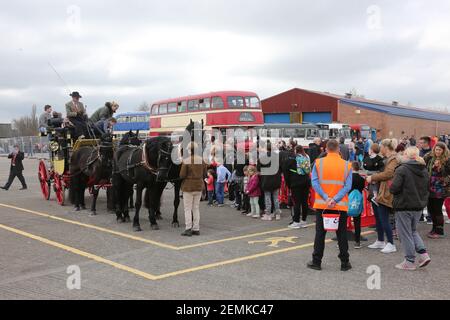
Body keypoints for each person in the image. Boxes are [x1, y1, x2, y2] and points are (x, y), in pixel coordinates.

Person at [307, 139, 353, 271]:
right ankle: (345, 263)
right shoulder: (347, 165)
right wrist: (335, 199)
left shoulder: (318, 163)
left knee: (320, 234)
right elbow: (347, 186)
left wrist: (327, 198)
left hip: (323, 205)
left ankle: (316, 262)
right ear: (338, 149)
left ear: (326, 149)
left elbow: (315, 183)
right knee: (342, 234)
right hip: (340, 205)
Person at [389, 146, 431, 270]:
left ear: (406, 155)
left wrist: (391, 186)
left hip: (404, 205)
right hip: (418, 205)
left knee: (405, 233)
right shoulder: (423, 169)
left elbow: (394, 188)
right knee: (412, 231)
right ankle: (423, 254)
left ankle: (409, 261)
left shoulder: (402, 169)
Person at [366, 139, 399, 254]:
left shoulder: (393, 159)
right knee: (379, 217)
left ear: (386, 147)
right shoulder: (387, 159)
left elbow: (389, 174)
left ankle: (390, 243)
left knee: (384, 218)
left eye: (381, 146)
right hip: (380, 190)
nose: (380, 149)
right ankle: (380, 240)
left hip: (386, 192)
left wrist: (373, 177)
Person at [179, 143, 207, 237]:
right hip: (199, 186)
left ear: (189, 150)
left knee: (187, 208)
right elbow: (205, 174)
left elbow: (182, 175)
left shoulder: (186, 161)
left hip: (188, 186)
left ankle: (188, 228)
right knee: (196, 208)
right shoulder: (201, 160)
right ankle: (196, 228)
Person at [424, 142, 450, 239]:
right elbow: (423, 165)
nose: (437, 151)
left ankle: (440, 231)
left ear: (443, 150)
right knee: (430, 209)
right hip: (430, 186)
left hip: (441, 188)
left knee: (437, 209)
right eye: (436, 149)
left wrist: (441, 168)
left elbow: (448, 174)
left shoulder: (447, 160)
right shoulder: (430, 158)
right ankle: (434, 228)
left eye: (439, 150)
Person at [284, 145, 311, 229]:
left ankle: (296, 221)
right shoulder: (306, 157)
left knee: (296, 202)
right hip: (306, 181)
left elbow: (287, 173)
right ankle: (304, 220)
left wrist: (288, 184)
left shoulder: (292, 159)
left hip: (296, 182)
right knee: (304, 202)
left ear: (295, 151)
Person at [258, 144, 282, 221]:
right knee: (276, 198)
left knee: (267, 197)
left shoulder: (263, 157)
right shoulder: (278, 157)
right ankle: (277, 213)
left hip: (266, 179)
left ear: (266, 148)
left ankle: (268, 214)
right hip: (276, 178)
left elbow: (259, 168)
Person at [351, 161, 366, 249]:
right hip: (357, 201)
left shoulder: (349, 178)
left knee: (344, 221)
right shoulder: (361, 179)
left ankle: (341, 242)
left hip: (348, 201)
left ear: (352, 168)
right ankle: (357, 241)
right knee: (357, 221)